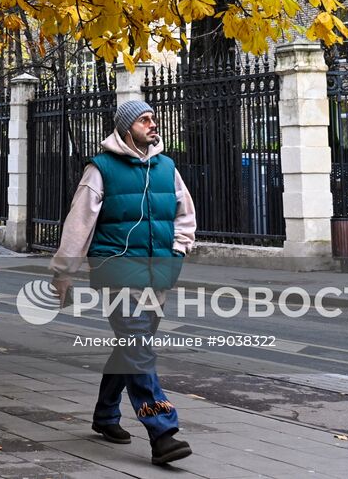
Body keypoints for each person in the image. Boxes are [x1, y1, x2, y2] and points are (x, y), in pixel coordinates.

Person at [51, 99, 197, 467]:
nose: (151, 124)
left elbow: (186, 215)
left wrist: (178, 251)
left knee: (131, 349)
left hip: (158, 274)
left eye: (152, 118)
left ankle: (105, 415)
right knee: (138, 348)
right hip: (117, 273)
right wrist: (64, 272)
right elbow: (79, 223)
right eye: (143, 119)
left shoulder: (166, 167)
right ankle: (163, 432)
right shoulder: (101, 169)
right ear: (125, 127)